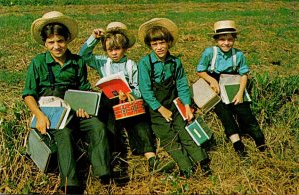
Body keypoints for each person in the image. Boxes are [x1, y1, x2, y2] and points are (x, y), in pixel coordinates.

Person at [22, 11, 111, 194]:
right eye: (51, 42)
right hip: (51, 111)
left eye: (60, 41)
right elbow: (28, 95)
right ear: (45, 43)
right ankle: (70, 182)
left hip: (73, 109)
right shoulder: (38, 63)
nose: (56, 46)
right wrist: (39, 116)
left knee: (97, 126)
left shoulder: (77, 62)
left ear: (67, 39)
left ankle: (103, 172)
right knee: (64, 134)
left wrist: (84, 108)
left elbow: (84, 89)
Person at [79, 22, 175, 180]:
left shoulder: (131, 65)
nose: (114, 53)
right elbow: (83, 55)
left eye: (117, 49)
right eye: (110, 50)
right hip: (109, 100)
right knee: (109, 124)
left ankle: (152, 159)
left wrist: (130, 94)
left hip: (129, 101)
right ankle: (115, 159)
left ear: (125, 48)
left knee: (139, 122)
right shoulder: (103, 62)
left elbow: (138, 87)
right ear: (105, 50)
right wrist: (93, 39)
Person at [137, 18, 212, 178]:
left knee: (185, 131)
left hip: (174, 104)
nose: (159, 47)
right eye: (155, 44)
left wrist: (186, 106)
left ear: (169, 42)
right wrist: (160, 109)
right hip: (156, 108)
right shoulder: (145, 63)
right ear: (150, 45)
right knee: (168, 137)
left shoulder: (175, 62)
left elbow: (182, 85)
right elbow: (145, 90)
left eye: (162, 43)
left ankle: (202, 162)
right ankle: (186, 167)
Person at [196, 20, 266, 157]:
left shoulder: (238, 55)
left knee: (244, 110)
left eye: (230, 39)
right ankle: (237, 144)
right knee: (224, 113)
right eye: (222, 39)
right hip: (215, 86)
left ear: (234, 39)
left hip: (232, 83)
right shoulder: (209, 53)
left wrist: (240, 93)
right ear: (216, 40)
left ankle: (260, 141)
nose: (226, 43)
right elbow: (200, 70)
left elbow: (243, 74)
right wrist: (212, 81)